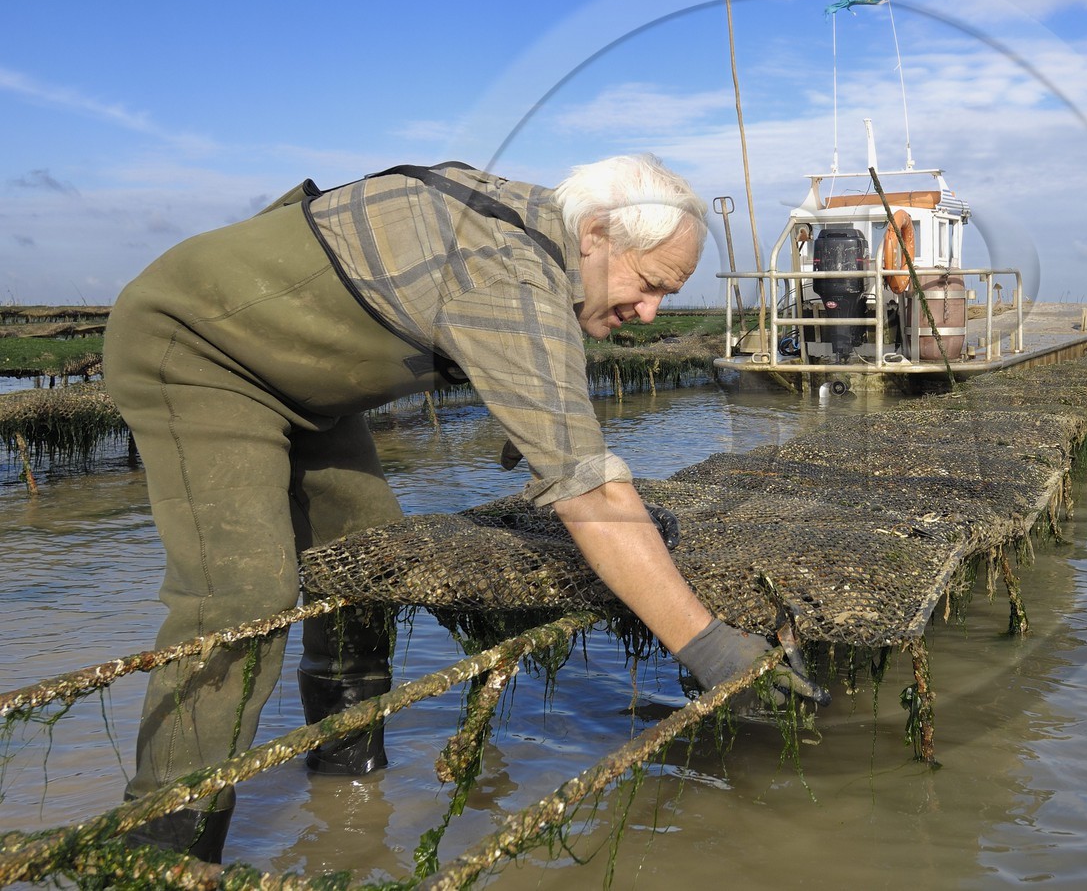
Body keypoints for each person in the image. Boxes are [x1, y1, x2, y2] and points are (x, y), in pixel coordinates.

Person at [103, 156, 817, 863]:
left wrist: (532, 405)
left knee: (368, 557)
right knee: (242, 592)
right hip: (195, 348)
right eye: (650, 284)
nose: (651, 313)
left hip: (307, 384)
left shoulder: (541, 237)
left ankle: (347, 791)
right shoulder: (501, 270)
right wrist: (711, 647)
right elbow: (591, 494)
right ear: (596, 234)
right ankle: (162, 844)